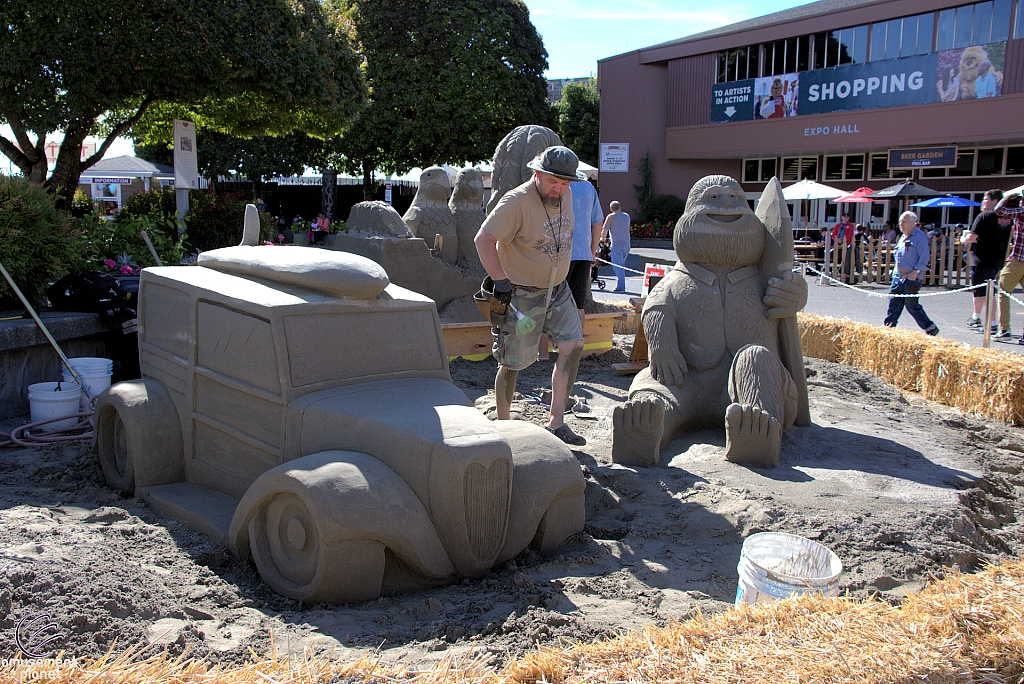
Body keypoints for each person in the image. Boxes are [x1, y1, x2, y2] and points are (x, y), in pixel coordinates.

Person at [474, 146, 588, 446]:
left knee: (573, 346)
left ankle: (557, 423)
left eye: (565, 183)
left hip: (557, 290)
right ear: (537, 174)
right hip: (521, 296)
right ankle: (504, 426)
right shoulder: (516, 202)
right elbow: (483, 239)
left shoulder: (567, 195)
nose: (559, 189)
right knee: (512, 362)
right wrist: (500, 281)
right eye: (553, 181)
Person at [540, 179, 604, 361]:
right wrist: (592, 251)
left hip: (557, 255)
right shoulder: (588, 187)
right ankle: (573, 355)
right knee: (578, 306)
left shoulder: (553, 184)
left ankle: (543, 354)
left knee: (546, 304)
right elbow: (597, 222)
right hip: (583, 253)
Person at [883, 211, 939, 336]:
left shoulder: (919, 236)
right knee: (894, 304)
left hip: (911, 278)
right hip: (898, 277)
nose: (901, 224)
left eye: (904, 222)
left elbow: (925, 256)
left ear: (913, 223)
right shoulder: (902, 237)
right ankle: (888, 329)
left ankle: (930, 327)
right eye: (900, 222)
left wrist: (916, 272)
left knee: (912, 305)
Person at [962, 190, 1009, 330]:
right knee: (982, 291)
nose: (983, 202)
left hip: (982, 260)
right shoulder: (1007, 218)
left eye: (986, 199)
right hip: (997, 260)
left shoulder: (984, 216)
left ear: (995, 201)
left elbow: (971, 237)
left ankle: (992, 323)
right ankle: (976, 317)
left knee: (986, 293)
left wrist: (962, 239)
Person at [994, 192, 1024, 341]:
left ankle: (1004, 329)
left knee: (1003, 293)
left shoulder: (1021, 211)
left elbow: (998, 210)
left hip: (1018, 259)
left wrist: (1007, 198)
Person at [600, 201, 631, 291]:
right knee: (621, 265)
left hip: (616, 244)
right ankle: (620, 284)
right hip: (627, 244)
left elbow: (604, 231)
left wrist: (602, 239)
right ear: (620, 207)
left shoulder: (611, 217)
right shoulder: (627, 216)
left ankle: (621, 286)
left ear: (611, 209)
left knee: (617, 266)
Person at [831, 213, 857, 278]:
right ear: (842, 217)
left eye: (847, 217)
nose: (845, 218)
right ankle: (834, 271)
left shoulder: (850, 225)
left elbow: (850, 234)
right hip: (837, 244)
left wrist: (842, 239)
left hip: (847, 244)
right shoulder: (837, 225)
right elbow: (834, 234)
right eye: (844, 217)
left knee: (846, 258)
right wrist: (837, 239)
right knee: (833, 255)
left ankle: (845, 273)